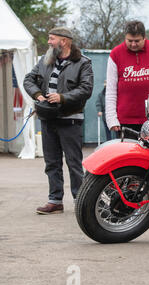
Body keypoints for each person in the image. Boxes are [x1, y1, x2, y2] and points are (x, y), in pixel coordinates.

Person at [23, 27, 94, 214]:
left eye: (51, 38)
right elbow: (28, 80)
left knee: (74, 163)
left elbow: (86, 89)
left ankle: (81, 202)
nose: (48, 41)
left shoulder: (83, 63)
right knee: (51, 162)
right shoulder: (44, 60)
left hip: (70, 120)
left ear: (64, 41)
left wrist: (62, 98)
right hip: (48, 119)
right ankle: (55, 201)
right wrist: (38, 95)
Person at [105, 20, 149, 137]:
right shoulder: (115, 54)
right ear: (125, 38)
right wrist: (111, 119)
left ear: (144, 37)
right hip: (125, 121)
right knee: (127, 155)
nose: (133, 44)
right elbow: (111, 90)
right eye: (129, 41)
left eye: (137, 41)